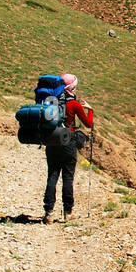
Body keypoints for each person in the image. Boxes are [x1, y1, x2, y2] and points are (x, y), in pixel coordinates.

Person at [43, 72, 94, 224]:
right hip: (68, 141)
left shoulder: (50, 100)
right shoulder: (74, 104)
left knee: (52, 175)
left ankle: (48, 213)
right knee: (68, 177)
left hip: (52, 141)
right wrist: (90, 110)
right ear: (71, 87)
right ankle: (68, 212)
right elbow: (88, 124)